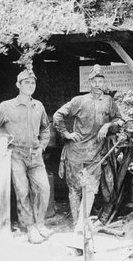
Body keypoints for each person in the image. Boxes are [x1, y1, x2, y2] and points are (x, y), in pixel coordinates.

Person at [0, 68, 51, 244]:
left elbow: (46, 128)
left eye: (33, 82)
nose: (30, 85)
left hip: (35, 154)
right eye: (26, 83)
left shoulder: (38, 106)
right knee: (22, 191)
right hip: (16, 153)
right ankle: (29, 227)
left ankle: (40, 223)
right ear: (18, 85)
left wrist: (42, 146)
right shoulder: (6, 107)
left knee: (44, 188)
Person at [53, 64, 125, 235]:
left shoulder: (109, 101)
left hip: (95, 154)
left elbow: (120, 120)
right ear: (89, 83)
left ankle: (81, 224)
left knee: (91, 187)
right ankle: (76, 225)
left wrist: (107, 125)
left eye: (101, 81)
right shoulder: (79, 101)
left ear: (104, 84)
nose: (98, 85)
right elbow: (58, 116)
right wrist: (67, 134)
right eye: (94, 81)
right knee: (75, 188)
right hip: (76, 153)